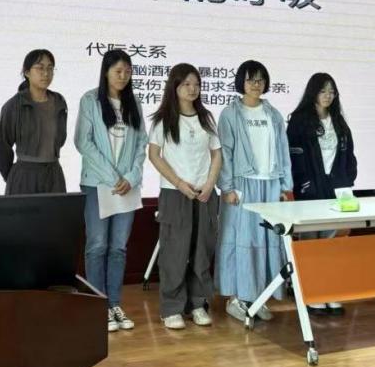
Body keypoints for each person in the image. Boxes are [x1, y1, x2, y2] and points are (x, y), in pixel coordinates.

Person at [74, 49, 147, 333]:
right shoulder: (90, 100)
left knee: (118, 247)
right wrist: (112, 177)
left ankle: (115, 303)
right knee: (97, 245)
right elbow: (83, 142)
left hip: (127, 187)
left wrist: (131, 176)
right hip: (97, 184)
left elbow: (141, 144)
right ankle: (98, 305)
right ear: (106, 72)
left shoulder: (133, 103)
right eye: (118, 71)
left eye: (128, 71)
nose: (123, 76)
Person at [216, 60, 292, 324]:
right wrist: (227, 187)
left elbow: (283, 151)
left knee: (266, 242)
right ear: (242, 82)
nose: (255, 84)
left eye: (260, 79)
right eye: (250, 79)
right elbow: (225, 153)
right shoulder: (230, 114)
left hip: (269, 184)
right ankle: (236, 298)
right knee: (240, 241)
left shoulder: (273, 114)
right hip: (242, 185)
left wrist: (285, 186)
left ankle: (258, 296)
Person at [147, 63, 222, 330]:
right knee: (175, 252)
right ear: (175, 86)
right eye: (186, 84)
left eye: (196, 84)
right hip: (174, 193)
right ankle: (171, 308)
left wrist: (210, 184)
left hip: (204, 194)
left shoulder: (206, 117)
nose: (192, 89)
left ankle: (198, 304)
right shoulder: (163, 119)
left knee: (202, 251)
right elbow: (154, 155)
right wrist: (179, 183)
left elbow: (216, 154)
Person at [287, 72, 357, 315]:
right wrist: (303, 184)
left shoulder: (338, 121)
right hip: (310, 188)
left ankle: (328, 290)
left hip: (336, 189)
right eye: (323, 91)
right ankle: (310, 292)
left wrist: (347, 180)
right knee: (309, 241)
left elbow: (349, 156)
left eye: (331, 91)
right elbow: (293, 157)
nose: (328, 96)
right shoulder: (299, 121)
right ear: (313, 93)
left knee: (330, 242)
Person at [0, 49, 69, 194]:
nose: (46, 73)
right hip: (24, 175)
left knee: (57, 209)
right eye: (40, 68)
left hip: (54, 174)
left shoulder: (59, 102)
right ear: (27, 72)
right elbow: (2, 146)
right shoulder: (14, 105)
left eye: (50, 68)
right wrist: (13, 178)